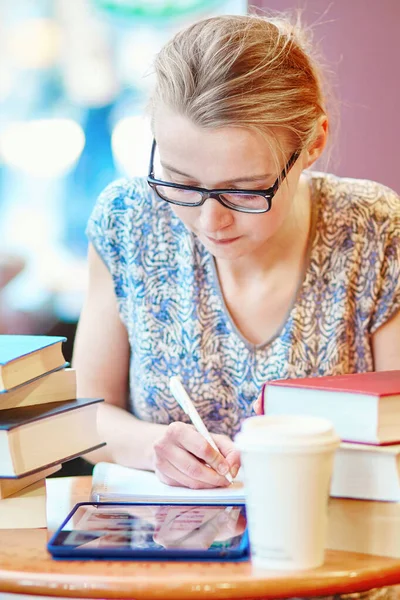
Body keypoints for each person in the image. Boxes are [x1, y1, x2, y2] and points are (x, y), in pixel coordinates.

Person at [73, 13, 400, 491]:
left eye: (245, 191)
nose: (210, 222)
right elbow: (87, 415)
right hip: (169, 547)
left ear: (314, 143)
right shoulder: (128, 220)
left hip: (337, 546)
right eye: (180, 182)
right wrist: (153, 447)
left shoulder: (375, 228)